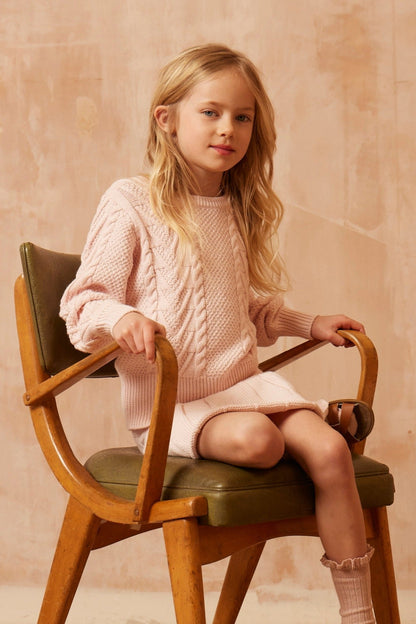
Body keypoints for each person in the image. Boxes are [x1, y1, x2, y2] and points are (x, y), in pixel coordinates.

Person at [60, 43, 376, 623]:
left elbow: (244, 310)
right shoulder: (132, 201)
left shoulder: (231, 209)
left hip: (243, 389)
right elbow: (82, 302)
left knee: (332, 453)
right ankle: (321, 412)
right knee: (261, 442)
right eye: (210, 112)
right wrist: (121, 318)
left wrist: (309, 324)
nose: (227, 128)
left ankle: (359, 615)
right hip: (173, 408)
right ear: (167, 118)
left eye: (242, 116)